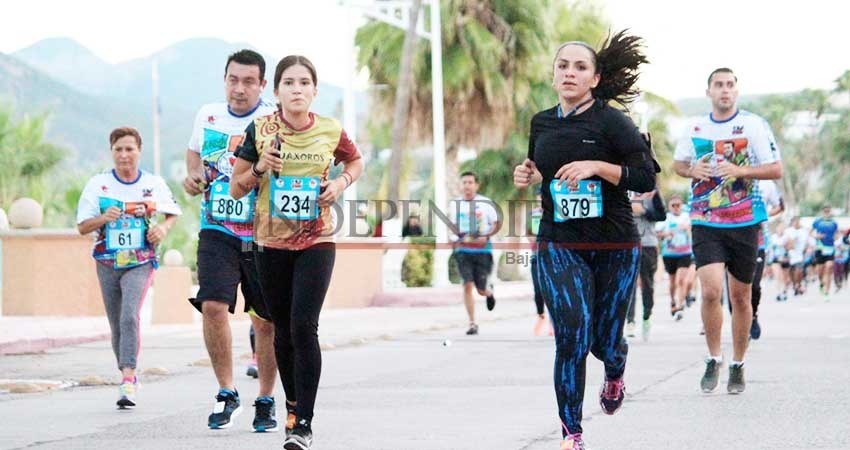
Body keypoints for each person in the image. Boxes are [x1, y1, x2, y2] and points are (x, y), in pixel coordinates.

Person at [513, 31, 657, 450]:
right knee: (572, 336)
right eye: (563, 66)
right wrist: (528, 175)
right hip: (559, 242)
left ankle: (615, 370)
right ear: (554, 74)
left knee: (604, 342)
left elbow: (646, 178)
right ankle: (571, 432)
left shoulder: (613, 122)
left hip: (614, 244)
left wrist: (597, 165)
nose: (570, 73)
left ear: (594, 79)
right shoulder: (541, 121)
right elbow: (540, 168)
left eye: (580, 67)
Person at [230, 55, 364, 450]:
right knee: (282, 332)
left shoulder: (329, 129)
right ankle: (291, 404)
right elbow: (237, 187)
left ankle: (303, 421)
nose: (297, 90)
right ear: (277, 91)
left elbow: (356, 161)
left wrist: (340, 184)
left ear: (315, 90)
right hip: (270, 243)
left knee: (305, 326)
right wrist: (259, 170)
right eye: (289, 83)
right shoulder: (260, 129)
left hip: (317, 239)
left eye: (304, 83)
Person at [182, 50, 279, 431]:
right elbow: (193, 152)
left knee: (266, 320)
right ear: (224, 79)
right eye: (233, 80)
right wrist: (191, 175)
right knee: (212, 306)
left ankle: (266, 399)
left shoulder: (273, 121)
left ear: (262, 85)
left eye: (249, 81)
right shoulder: (207, 114)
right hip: (216, 227)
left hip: (263, 233)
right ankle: (226, 391)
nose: (239, 89)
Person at [673, 67, 783, 395]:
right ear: (709, 91)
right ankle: (712, 356)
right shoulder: (694, 126)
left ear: (737, 91)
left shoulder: (754, 125)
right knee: (709, 291)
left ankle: (737, 363)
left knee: (740, 297)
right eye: (718, 85)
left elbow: (776, 168)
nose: (725, 90)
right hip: (706, 219)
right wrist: (693, 168)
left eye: (730, 85)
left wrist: (740, 169)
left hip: (745, 220)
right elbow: (678, 164)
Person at [76, 127, 181, 408]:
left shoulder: (152, 183)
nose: (124, 155)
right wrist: (103, 218)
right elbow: (82, 226)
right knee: (116, 324)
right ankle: (125, 371)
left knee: (128, 315)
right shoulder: (98, 185)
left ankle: (128, 378)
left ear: (139, 151)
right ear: (111, 152)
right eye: (118, 149)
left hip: (141, 260)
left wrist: (162, 228)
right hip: (107, 261)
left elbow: (173, 212)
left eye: (129, 149)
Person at [729, 179, 783, 340]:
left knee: (754, 284)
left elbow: (780, 206)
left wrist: (761, 215)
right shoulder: (728, 177)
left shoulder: (766, 184)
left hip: (758, 240)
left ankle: (752, 316)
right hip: (730, 237)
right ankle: (739, 320)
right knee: (735, 287)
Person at [448, 171, 500, 336]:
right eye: (464, 182)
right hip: (463, 250)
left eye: (470, 182)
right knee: (467, 284)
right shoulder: (454, 204)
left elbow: (496, 224)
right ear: (460, 185)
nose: (467, 186)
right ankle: (472, 323)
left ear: (476, 185)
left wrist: (486, 236)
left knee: (480, 289)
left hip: (483, 250)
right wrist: (455, 239)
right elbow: (452, 226)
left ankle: (488, 292)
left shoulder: (485, 203)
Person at [626, 188, 665, 341]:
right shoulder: (620, 187)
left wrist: (643, 210)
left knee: (647, 284)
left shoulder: (652, 193)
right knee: (629, 284)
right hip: (627, 244)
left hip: (648, 244)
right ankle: (630, 321)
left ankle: (647, 315)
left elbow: (661, 216)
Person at [657, 194, 693, 322]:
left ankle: (680, 305)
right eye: (674, 205)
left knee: (681, 280)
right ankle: (673, 301)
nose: (676, 208)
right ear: (669, 206)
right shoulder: (665, 218)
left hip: (685, 252)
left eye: (679, 205)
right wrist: (667, 234)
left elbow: (693, 229)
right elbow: (658, 233)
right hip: (669, 253)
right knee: (672, 282)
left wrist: (688, 229)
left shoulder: (687, 217)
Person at [812, 205, 839, 300]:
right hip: (820, 248)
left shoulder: (834, 223)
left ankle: (826, 292)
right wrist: (816, 236)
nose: (827, 213)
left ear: (830, 212)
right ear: (822, 212)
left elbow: (837, 233)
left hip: (830, 248)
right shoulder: (817, 222)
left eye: (828, 211)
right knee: (820, 270)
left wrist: (836, 238)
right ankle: (821, 284)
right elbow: (811, 232)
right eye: (825, 211)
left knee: (829, 268)